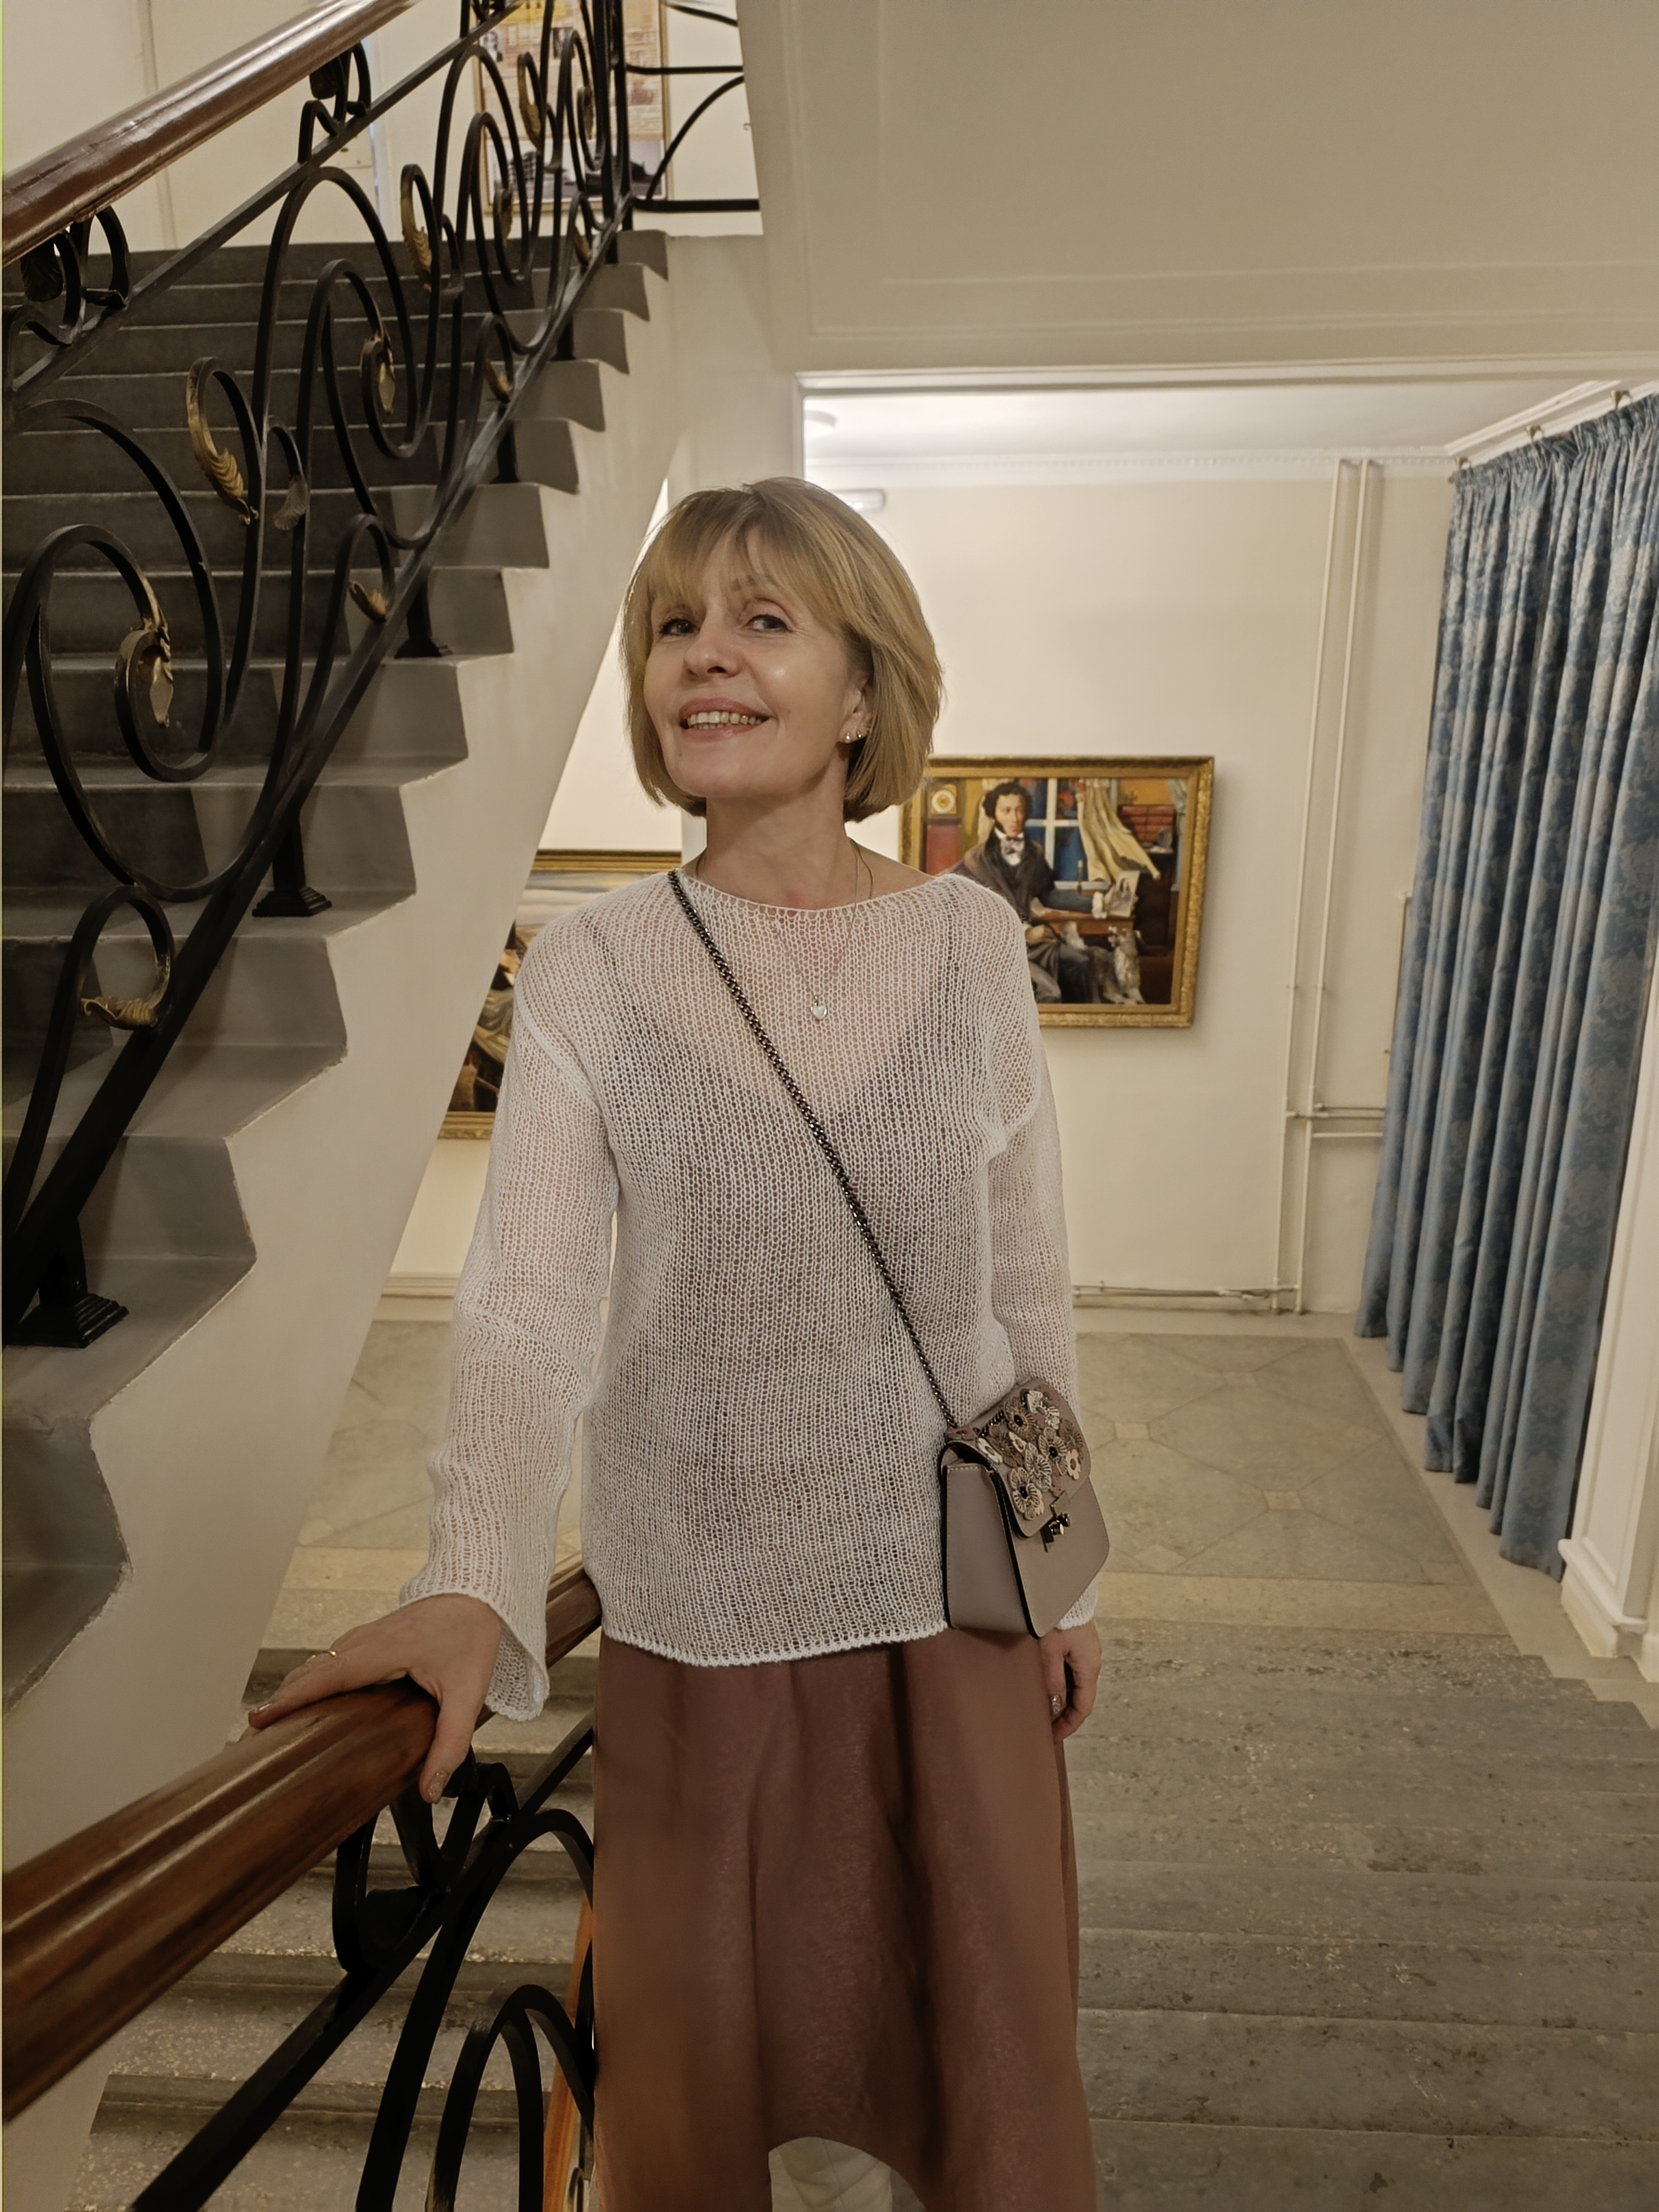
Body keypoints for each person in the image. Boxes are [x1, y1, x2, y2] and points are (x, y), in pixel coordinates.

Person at [252, 478, 1101, 2212]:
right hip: (704, 1626)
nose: (702, 657)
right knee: (703, 2091)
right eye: (672, 628)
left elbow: (1024, 1285)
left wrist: (1067, 1577)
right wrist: (474, 1575)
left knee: (987, 2069)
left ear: (862, 693)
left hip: (956, 1612)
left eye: (762, 622)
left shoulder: (970, 943)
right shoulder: (596, 969)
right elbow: (527, 1305)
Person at [953, 781, 1098, 1002]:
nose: (1015, 818)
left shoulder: (1034, 853)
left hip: (1034, 945)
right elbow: (974, 916)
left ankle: (1092, 1021)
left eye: (1020, 810)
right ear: (994, 814)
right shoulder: (976, 859)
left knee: (1083, 963)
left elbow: (1050, 895)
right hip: (998, 950)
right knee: (1051, 994)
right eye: (1007, 811)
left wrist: (1097, 903)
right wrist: (1025, 933)